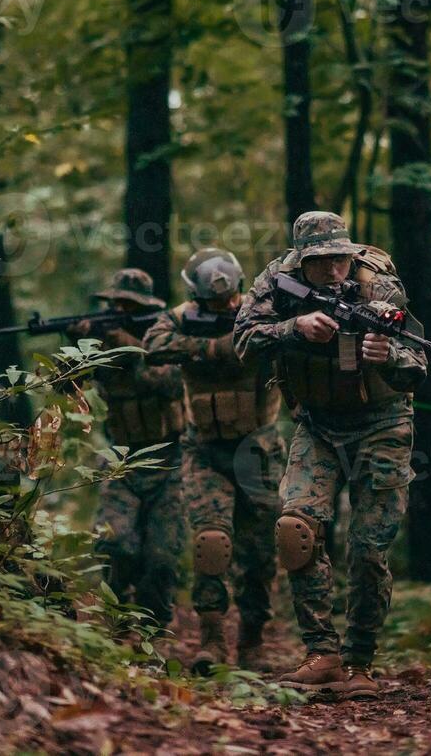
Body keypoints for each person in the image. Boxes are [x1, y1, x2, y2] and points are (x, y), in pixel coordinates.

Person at [234, 212, 427, 701]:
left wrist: (392, 357)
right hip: (317, 424)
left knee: (367, 547)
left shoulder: (377, 285)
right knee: (295, 529)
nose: (335, 270)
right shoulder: (276, 282)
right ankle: (322, 653)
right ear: (303, 260)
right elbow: (243, 340)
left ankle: (360, 660)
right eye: (322, 262)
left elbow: (418, 362)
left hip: (382, 424)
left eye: (341, 259)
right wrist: (293, 328)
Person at [143, 248, 284, 673]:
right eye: (213, 302)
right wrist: (214, 347)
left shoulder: (262, 313)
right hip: (203, 450)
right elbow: (154, 345)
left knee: (259, 553)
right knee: (211, 542)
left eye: (229, 298)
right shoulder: (181, 317)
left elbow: (286, 336)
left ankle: (253, 640)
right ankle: (212, 642)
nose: (224, 306)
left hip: (257, 449)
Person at [76, 268, 187, 635]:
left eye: (129, 307)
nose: (120, 311)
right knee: (114, 541)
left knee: (161, 558)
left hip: (170, 463)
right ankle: (116, 616)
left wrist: (133, 349)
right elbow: (65, 387)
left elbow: (171, 385)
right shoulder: (102, 350)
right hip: (121, 461)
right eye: (116, 305)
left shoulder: (165, 340)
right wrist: (79, 348)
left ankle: (151, 635)